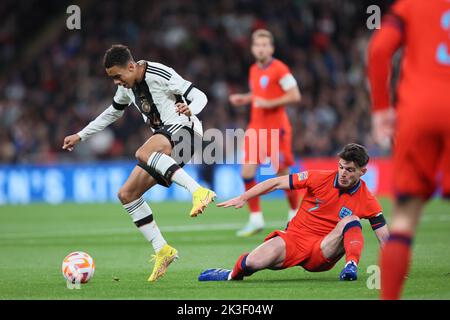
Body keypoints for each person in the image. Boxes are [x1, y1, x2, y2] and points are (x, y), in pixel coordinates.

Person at [62, 44, 216, 282]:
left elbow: (200, 96)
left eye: (118, 76)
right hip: (165, 140)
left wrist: (190, 108)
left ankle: (198, 191)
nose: (116, 82)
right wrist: (81, 135)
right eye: (112, 78)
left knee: (142, 152)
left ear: (132, 66)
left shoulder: (159, 73)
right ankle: (163, 250)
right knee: (127, 194)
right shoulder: (127, 88)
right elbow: (111, 113)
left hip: (187, 131)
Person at [198, 144, 389, 282]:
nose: (343, 173)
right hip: (294, 239)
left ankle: (351, 267)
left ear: (362, 172)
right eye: (341, 167)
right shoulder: (318, 177)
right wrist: (244, 196)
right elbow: (276, 182)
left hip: (323, 249)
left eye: (350, 170)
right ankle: (229, 275)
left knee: (351, 220)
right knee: (252, 263)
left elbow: (383, 237)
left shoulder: (368, 200)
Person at [367, 0, 450, 299]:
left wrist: (380, 109)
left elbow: (378, 50)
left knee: (403, 219)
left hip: (418, 112)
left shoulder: (412, 5)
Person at [228, 29, 302, 237]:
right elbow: (259, 93)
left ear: (271, 48)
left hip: (277, 130)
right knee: (246, 173)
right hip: (256, 128)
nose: (261, 48)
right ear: (252, 48)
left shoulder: (280, 69)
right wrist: (246, 97)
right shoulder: (253, 69)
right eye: (257, 45)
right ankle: (256, 219)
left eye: (264, 45)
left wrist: (269, 103)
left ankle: (294, 213)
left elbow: (295, 95)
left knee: (283, 175)